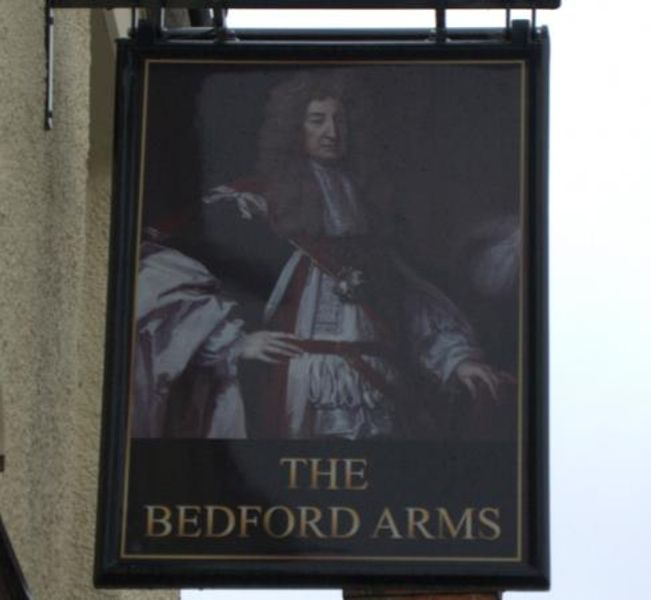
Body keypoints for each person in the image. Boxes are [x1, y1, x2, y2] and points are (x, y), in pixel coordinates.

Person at [132, 70, 503, 440]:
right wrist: (236, 341)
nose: (332, 132)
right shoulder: (251, 205)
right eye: (317, 120)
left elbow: (406, 300)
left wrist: (458, 358)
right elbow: (162, 273)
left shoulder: (367, 212)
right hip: (295, 386)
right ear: (295, 127)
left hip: (376, 390)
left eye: (340, 120)